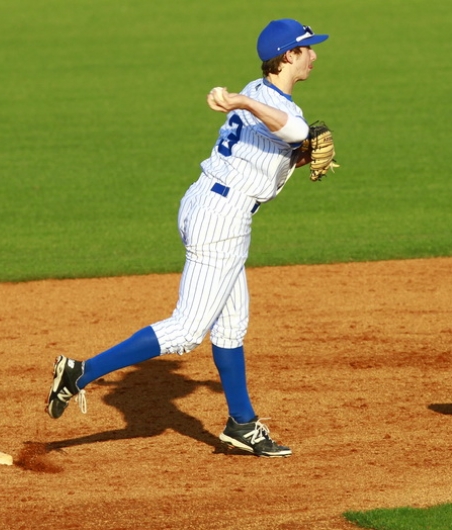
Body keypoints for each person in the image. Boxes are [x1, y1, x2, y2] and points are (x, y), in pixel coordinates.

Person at [45, 19, 330, 458]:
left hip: (212, 204)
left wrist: (297, 156)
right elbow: (292, 130)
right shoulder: (260, 100)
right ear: (288, 56)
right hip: (221, 218)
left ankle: (242, 423)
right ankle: (79, 373)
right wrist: (255, 112)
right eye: (307, 48)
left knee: (231, 327)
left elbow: (278, 148)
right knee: (185, 331)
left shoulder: (260, 93)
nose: (314, 54)